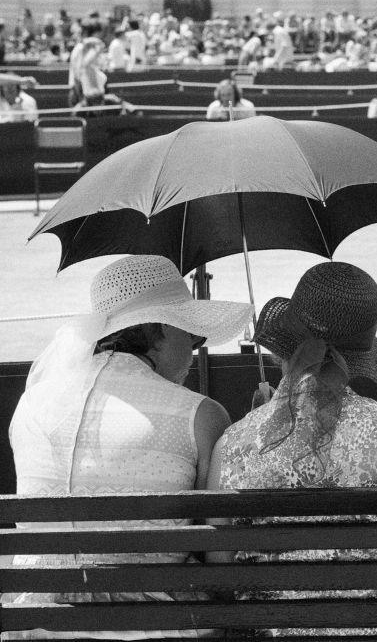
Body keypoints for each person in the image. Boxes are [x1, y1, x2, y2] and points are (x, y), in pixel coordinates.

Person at [4, 255, 252, 639]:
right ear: (159, 330)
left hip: (37, 626)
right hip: (159, 629)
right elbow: (221, 561)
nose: (194, 348)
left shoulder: (31, 404)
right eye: (191, 333)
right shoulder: (199, 414)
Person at [208, 262, 377, 637]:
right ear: (361, 354)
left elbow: (220, 570)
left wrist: (261, 422)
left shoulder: (234, 443)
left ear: (285, 345)